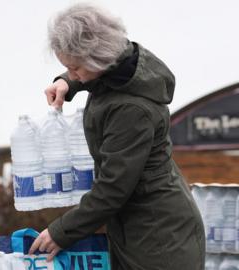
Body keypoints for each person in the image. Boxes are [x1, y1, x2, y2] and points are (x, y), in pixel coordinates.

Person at [28, 3, 206, 270]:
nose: (72, 73)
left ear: (96, 57)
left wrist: (61, 231)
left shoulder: (131, 109)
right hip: (133, 226)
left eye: (75, 68)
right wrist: (68, 81)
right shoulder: (122, 69)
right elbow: (94, 75)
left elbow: (113, 189)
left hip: (159, 237)